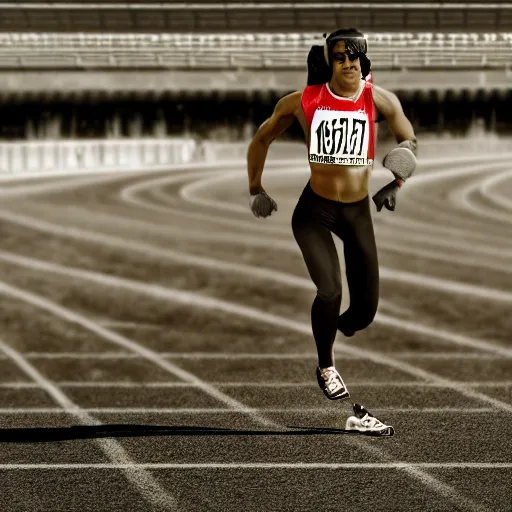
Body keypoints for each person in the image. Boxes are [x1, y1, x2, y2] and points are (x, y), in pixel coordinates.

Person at [246, 28, 417, 435]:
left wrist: (398, 178)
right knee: (330, 289)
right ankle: (326, 365)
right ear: (329, 62)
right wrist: (256, 189)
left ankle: (331, 324)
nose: (349, 62)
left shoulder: (379, 100)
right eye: (340, 56)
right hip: (315, 213)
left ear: (365, 59)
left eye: (356, 55)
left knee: (364, 311)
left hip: (357, 213)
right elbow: (261, 138)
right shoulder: (303, 103)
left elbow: (408, 137)